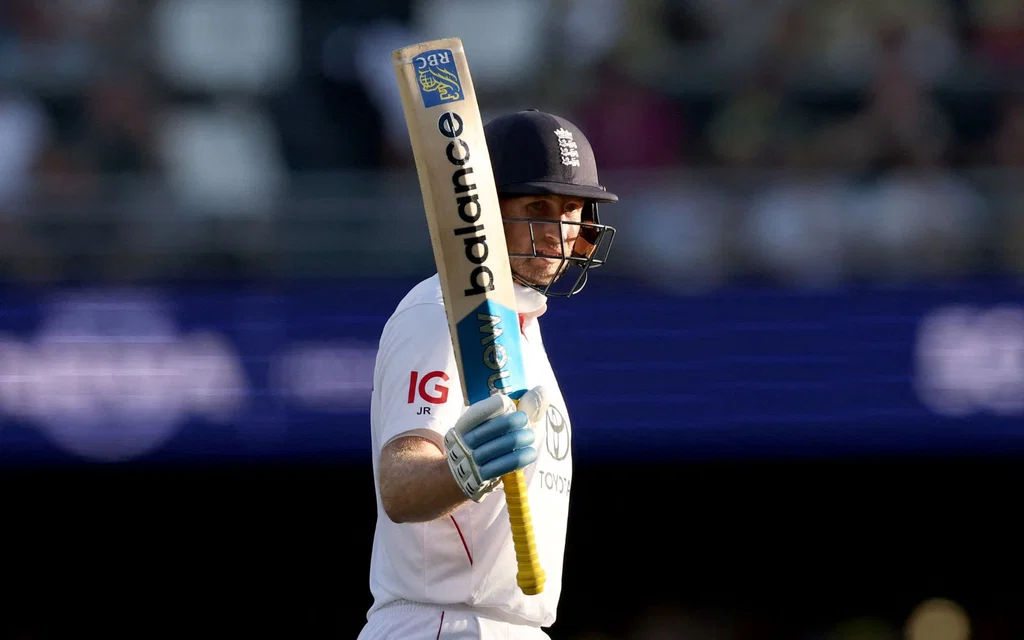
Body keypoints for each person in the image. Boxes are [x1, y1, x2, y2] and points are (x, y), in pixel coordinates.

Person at [358, 109, 618, 639]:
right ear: (483, 212)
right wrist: (463, 471)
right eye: (537, 207)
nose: (557, 231)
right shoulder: (439, 310)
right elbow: (400, 486)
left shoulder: (523, 327)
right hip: (441, 622)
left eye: (571, 210)